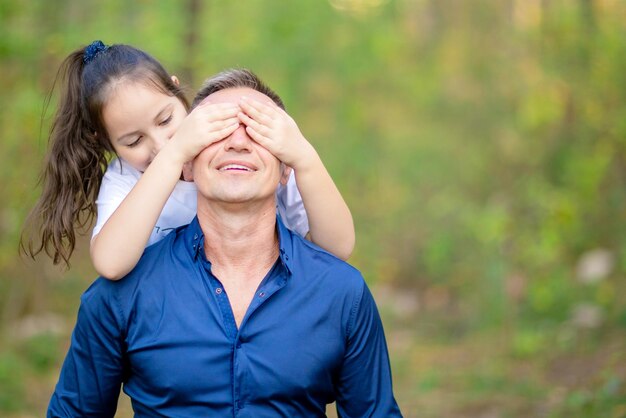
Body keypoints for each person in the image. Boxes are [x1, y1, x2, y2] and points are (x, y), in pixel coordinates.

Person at [47, 69, 402, 417]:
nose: (237, 141)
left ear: (285, 168)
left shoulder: (343, 294)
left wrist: (304, 154)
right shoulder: (119, 296)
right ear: (186, 164)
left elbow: (338, 246)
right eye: (217, 130)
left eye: (258, 130)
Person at [22, 41, 355, 280]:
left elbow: (338, 247)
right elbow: (110, 263)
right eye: (134, 140)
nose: (160, 144)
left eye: (166, 120)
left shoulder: (237, 156)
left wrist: (304, 157)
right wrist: (175, 156)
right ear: (105, 142)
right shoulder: (125, 178)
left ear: (177, 92)